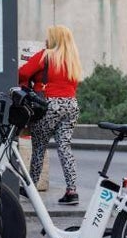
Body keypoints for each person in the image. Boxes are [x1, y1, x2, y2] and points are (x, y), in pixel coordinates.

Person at [18, 25, 82, 205]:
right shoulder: (72, 60)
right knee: (64, 147)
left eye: (48, 37)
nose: (46, 40)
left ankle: (30, 187)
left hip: (49, 105)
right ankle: (72, 190)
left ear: (54, 39)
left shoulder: (45, 55)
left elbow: (22, 72)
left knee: (39, 147)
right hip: (71, 105)